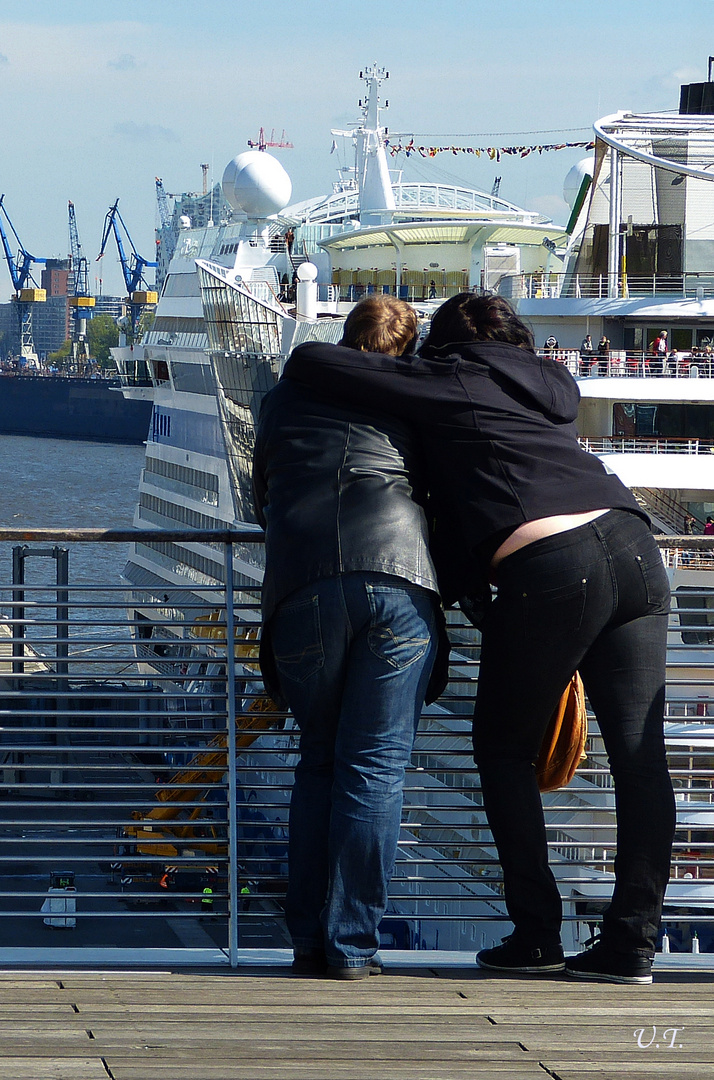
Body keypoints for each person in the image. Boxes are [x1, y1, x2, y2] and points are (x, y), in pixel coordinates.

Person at [280, 292, 675, 985]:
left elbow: (313, 359)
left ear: (447, 344)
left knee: (500, 748)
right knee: (641, 761)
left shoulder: (449, 376)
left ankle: (536, 935)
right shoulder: (548, 385)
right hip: (635, 543)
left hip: (554, 558)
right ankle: (632, 942)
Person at [253, 295, 441, 979]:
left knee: (320, 764)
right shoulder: (415, 395)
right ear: (408, 348)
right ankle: (353, 946)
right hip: (397, 575)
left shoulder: (283, 396)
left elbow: (261, 495)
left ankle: (308, 941)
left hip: (302, 584)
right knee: (375, 768)